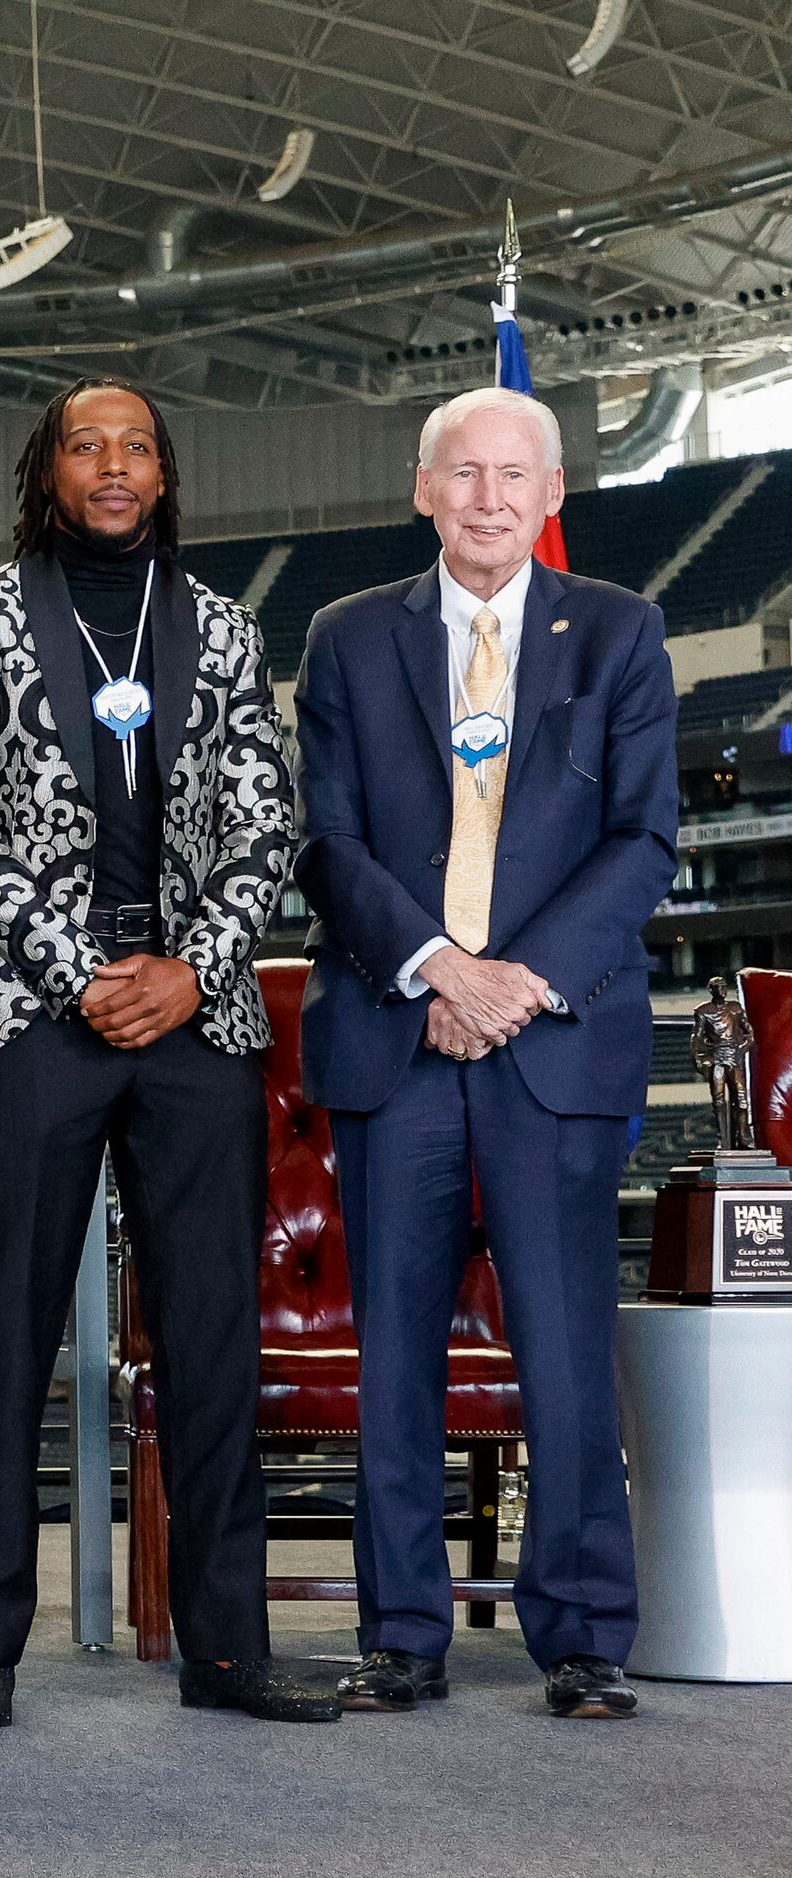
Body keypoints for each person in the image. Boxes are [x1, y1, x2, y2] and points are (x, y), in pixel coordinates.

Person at [0, 378, 337, 1726]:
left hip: (191, 1010)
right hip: (34, 1005)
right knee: (3, 1329)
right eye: (82, 445)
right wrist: (78, 972)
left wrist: (184, 969)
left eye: (132, 446)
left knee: (209, 1338)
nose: (108, 464)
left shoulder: (216, 624)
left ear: (161, 473)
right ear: (45, 472)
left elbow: (265, 827)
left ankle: (226, 1650)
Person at [294, 384, 678, 1722]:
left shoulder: (621, 634)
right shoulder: (344, 640)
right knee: (390, 1355)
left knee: (564, 1353)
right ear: (421, 488)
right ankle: (401, 1634)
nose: (487, 497)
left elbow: (641, 840)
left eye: (513, 475)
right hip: (393, 1038)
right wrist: (434, 971)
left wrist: (512, 984)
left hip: (552, 1045)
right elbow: (325, 842)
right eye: (462, 473)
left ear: (551, 491)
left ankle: (581, 1635)